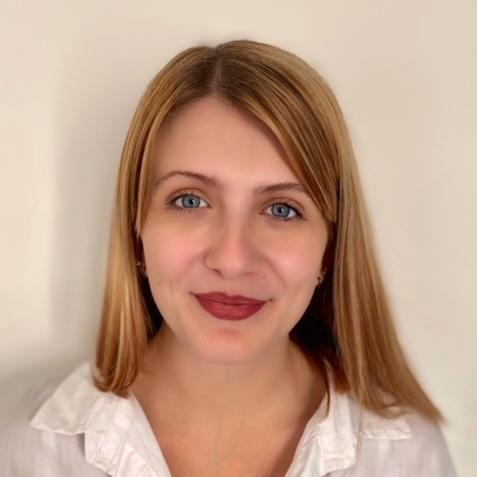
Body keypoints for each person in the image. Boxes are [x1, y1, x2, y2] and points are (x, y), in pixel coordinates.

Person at [1, 39, 457, 476]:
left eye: (282, 209)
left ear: (330, 249)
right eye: (190, 200)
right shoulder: (23, 452)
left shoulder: (406, 458)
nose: (233, 260)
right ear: (137, 233)